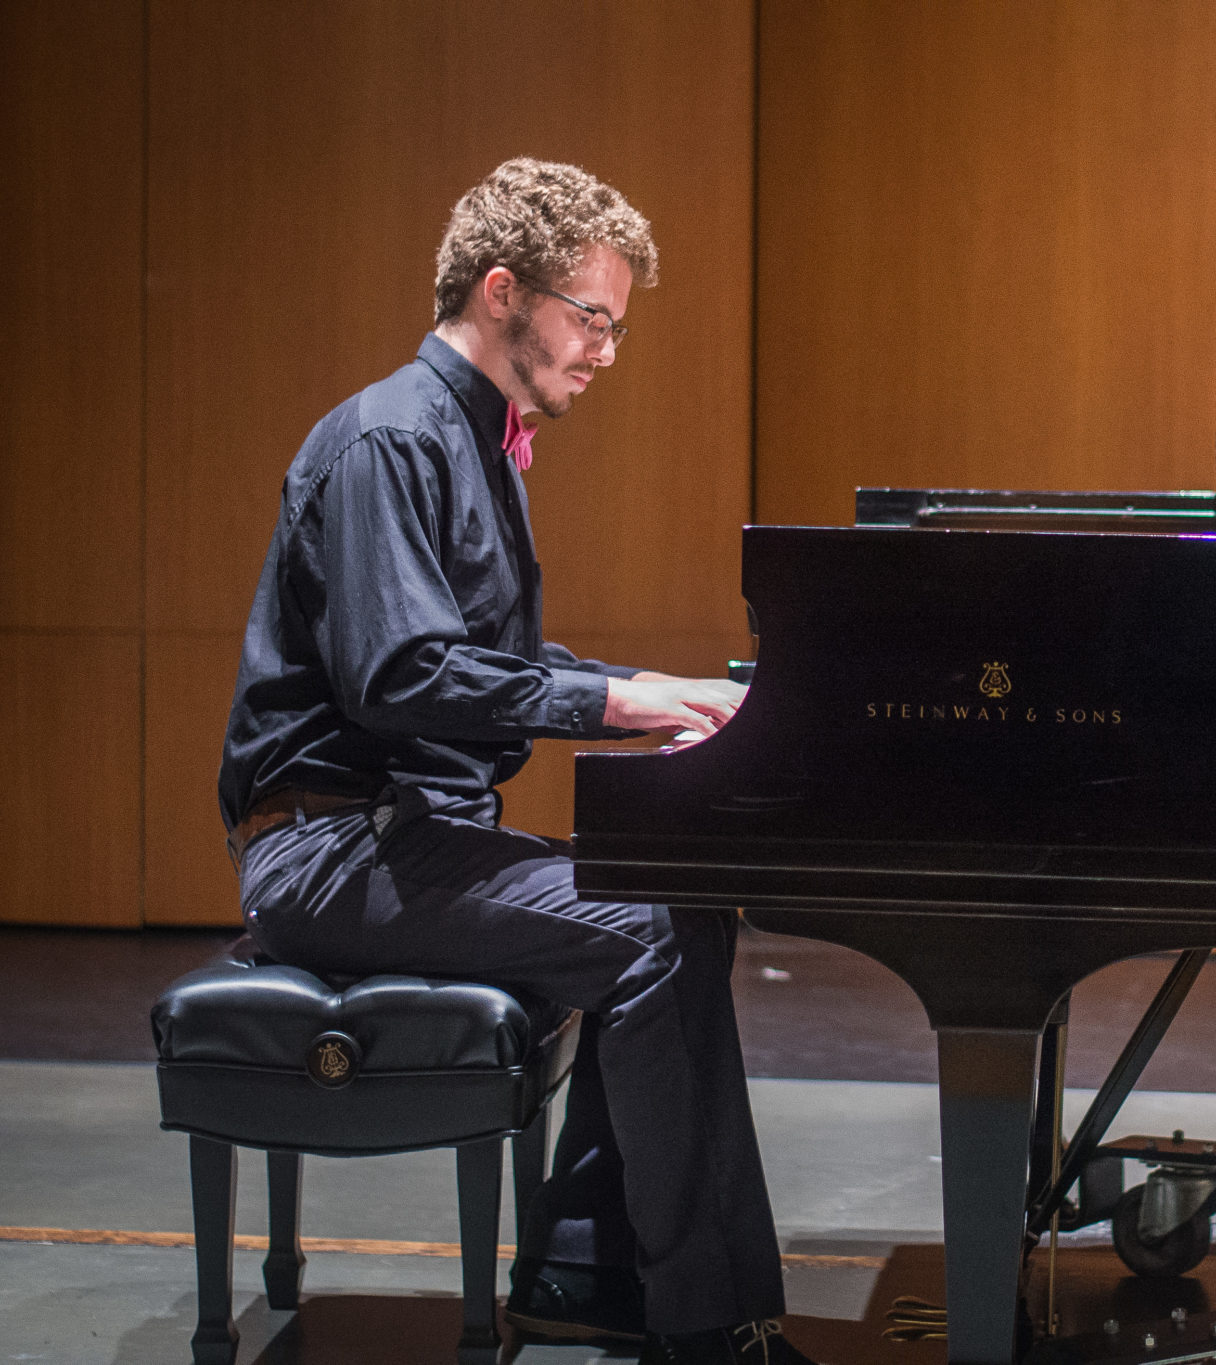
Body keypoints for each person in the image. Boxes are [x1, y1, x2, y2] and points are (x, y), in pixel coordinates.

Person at [217, 157, 818, 1365]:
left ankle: (588, 1276)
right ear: (503, 293)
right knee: (647, 927)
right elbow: (400, 676)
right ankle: (704, 1332)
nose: (605, 348)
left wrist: (644, 698)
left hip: (400, 839)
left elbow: (483, 660)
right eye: (591, 316)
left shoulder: (473, 445)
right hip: (328, 850)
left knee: (674, 897)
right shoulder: (391, 440)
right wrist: (618, 698)